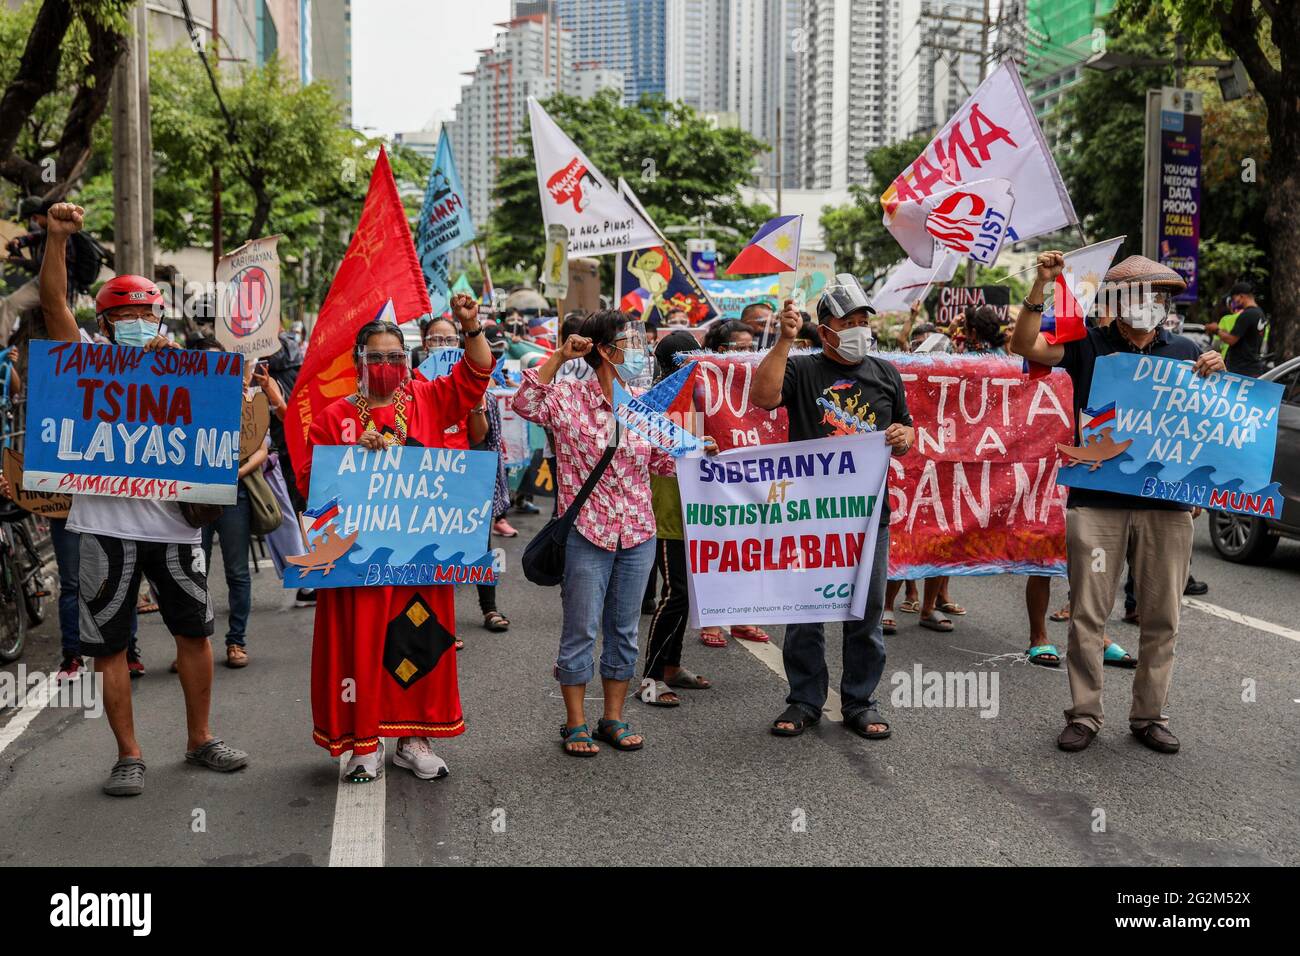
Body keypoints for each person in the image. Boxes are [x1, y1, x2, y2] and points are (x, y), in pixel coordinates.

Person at [39, 202, 248, 796]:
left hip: (176, 528)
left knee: (195, 633)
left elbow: (226, 429)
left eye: (144, 315)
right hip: (104, 524)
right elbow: (54, 304)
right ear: (104, 326)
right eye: (123, 316)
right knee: (107, 644)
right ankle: (129, 754)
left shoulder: (190, 368)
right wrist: (56, 240)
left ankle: (200, 738)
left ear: (161, 321)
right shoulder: (81, 360)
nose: (135, 324)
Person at [1010, 252, 1224, 755]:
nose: (1148, 303)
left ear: (1166, 304)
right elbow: (1023, 345)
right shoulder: (1087, 343)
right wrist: (1040, 286)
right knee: (1089, 612)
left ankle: (1149, 715)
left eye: (1157, 295)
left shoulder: (1188, 352)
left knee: (1162, 616)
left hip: (1167, 506)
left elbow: (1209, 424)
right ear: (1117, 300)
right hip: (1097, 500)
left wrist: (1219, 373)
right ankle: (1084, 715)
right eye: (1137, 293)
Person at [298, 293, 493, 782]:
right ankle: (364, 743)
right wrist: (351, 456)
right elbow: (311, 487)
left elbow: (476, 377)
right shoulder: (332, 417)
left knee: (416, 643)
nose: (386, 365)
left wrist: (471, 328)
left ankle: (414, 739)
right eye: (376, 357)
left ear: (406, 361)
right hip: (359, 565)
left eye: (394, 356)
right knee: (360, 649)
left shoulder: (427, 398)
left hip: (419, 561)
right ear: (358, 362)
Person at [751, 281, 915, 740]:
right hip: (810, 515)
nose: (861, 330)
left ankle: (860, 701)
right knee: (806, 612)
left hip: (867, 517)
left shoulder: (885, 373)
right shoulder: (802, 370)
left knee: (865, 612)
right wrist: (784, 339)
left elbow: (906, 427)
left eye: (865, 322)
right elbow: (763, 397)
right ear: (825, 332)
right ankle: (804, 699)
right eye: (850, 323)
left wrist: (905, 436)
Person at [513, 310, 676, 757]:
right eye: (631, 342)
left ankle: (614, 718)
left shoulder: (648, 403)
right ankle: (576, 723)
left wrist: (694, 449)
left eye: (643, 341)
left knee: (623, 630)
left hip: (639, 532)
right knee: (581, 630)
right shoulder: (568, 397)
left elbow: (660, 464)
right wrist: (560, 354)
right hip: (586, 532)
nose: (640, 351)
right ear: (605, 350)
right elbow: (524, 403)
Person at [419, 315, 512, 636]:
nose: (442, 346)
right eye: (435, 339)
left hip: (462, 474)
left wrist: (475, 403)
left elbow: (478, 436)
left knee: (478, 544)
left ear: (459, 344)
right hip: (426, 478)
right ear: (423, 343)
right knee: (433, 550)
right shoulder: (415, 382)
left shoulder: (467, 383)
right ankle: (442, 623)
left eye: (449, 340)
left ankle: (490, 608)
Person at [641, 331, 714, 704]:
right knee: (675, 594)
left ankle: (672, 666)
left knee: (686, 594)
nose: (690, 366)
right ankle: (651, 676)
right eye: (683, 359)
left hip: (696, 510)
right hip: (665, 511)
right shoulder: (652, 402)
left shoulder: (706, 398)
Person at [1205, 280, 1267, 377]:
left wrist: (1216, 330)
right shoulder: (1260, 313)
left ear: (1241, 296)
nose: (1234, 302)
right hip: (1253, 367)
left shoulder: (1247, 314)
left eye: (1234, 298)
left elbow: (1231, 339)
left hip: (1241, 369)